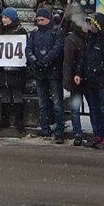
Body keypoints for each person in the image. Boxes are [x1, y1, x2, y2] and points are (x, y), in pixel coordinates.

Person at [70, 11, 104, 148]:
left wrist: (97, 70)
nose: (90, 26)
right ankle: (98, 134)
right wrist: (79, 72)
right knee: (94, 109)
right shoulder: (90, 39)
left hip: (101, 81)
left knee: (103, 110)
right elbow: (84, 58)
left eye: (92, 23)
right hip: (90, 81)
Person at [26, 8, 67, 142]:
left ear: (48, 19)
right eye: (38, 20)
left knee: (57, 103)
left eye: (42, 20)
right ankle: (45, 127)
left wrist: (44, 61)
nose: (40, 22)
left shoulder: (56, 33)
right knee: (42, 102)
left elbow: (56, 50)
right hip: (39, 73)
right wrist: (34, 61)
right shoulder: (34, 34)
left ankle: (59, 130)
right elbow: (28, 49)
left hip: (53, 72)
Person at [0, 7, 28, 132]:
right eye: (3, 17)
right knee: (5, 93)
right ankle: (5, 119)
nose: (4, 20)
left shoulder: (20, 31)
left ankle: (18, 120)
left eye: (6, 18)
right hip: (2, 69)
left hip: (15, 69)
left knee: (16, 93)